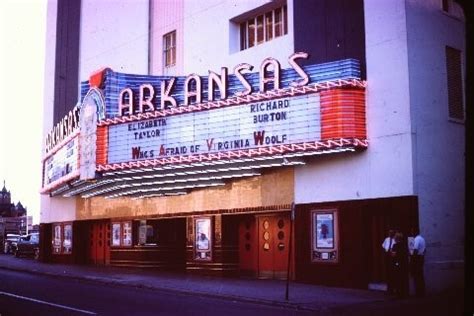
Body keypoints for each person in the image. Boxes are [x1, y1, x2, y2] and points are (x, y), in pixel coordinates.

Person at [391, 232, 409, 298]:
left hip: (397, 264)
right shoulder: (404, 245)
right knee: (403, 278)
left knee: (398, 278)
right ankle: (405, 293)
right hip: (404, 264)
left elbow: (393, 255)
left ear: (396, 238)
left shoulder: (395, 246)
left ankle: (399, 294)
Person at [410, 227, 426, 297]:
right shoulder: (422, 239)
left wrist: (412, 258)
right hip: (421, 257)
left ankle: (418, 292)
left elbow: (415, 250)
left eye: (412, 231)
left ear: (414, 232)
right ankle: (422, 291)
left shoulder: (416, 239)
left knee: (417, 276)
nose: (412, 233)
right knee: (420, 275)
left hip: (417, 258)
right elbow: (425, 249)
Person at [382, 229, 396, 294]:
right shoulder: (386, 239)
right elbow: (383, 245)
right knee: (388, 271)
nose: (390, 234)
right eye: (389, 233)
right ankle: (389, 288)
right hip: (387, 255)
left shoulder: (395, 240)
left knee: (392, 271)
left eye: (391, 233)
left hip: (392, 256)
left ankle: (393, 288)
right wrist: (386, 250)